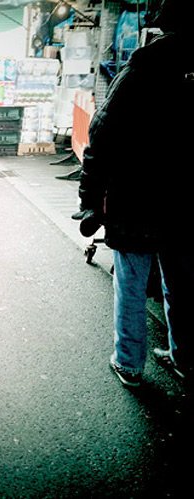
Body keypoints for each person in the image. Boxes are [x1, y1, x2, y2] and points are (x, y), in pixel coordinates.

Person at [76, 0, 194, 388]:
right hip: (186, 202)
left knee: (130, 282)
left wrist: (89, 197)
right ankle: (183, 357)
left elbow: (102, 133)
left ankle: (129, 362)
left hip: (137, 199)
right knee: (181, 283)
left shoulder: (143, 67)